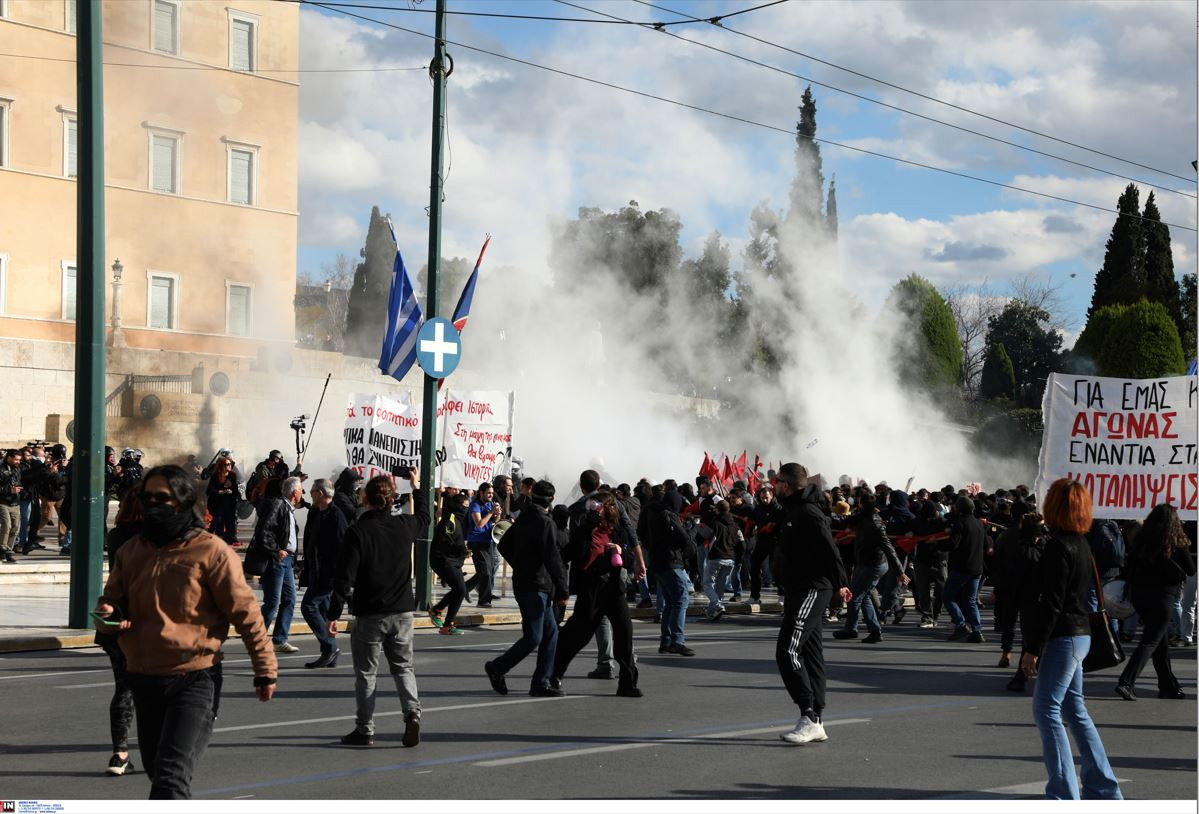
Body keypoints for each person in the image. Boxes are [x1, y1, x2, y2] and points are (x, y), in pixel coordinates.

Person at [94, 465, 277, 799]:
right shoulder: (131, 551)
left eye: (161, 497)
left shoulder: (211, 551)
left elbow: (246, 613)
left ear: (181, 500)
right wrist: (107, 617)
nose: (153, 504)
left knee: (170, 778)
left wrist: (265, 670)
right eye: (147, 497)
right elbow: (111, 602)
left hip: (194, 678)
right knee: (156, 769)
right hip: (144, 679)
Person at [1019, 478, 1121, 800]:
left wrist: (1032, 648)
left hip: (1063, 636)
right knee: (1074, 710)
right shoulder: (1081, 543)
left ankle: (1063, 795)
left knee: (1047, 710)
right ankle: (1103, 787)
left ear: (1054, 506)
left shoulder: (1058, 546)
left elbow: (1051, 602)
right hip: (1081, 635)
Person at [329, 470, 427, 747]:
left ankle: (365, 729)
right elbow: (425, 518)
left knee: (366, 674)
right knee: (404, 668)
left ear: (366, 499)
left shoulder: (358, 531)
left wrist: (333, 614)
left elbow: (344, 578)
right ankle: (412, 715)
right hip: (403, 611)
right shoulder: (404, 526)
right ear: (392, 499)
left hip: (370, 612)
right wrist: (416, 486)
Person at [772, 463, 851, 745]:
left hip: (812, 588)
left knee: (787, 650)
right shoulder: (793, 509)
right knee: (812, 654)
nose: (773, 485)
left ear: (787, 484)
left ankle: (808, 713)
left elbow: (830, 549)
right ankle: (816, 718)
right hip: (798, 588)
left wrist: (841, 583)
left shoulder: (808, 512)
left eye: (777, 481)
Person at [554, 491, 645, 697]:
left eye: (601, 506)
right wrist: (587, 528)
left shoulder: (617, 531)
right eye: (594, 506)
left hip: (613, 587)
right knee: (578, 634)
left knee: (624, 633)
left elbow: (628, 561)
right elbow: (570, 555)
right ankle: (554, 674)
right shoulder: (583, 530)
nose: (597, 509)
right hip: (591, 587)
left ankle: (627, 683)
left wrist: (621, 554)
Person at [486, 480, 570, 697]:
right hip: (537, 586)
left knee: (551, 634)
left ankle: (541, 682)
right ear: (551, 499)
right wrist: (563, 590)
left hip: (528, 583)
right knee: (533, 637)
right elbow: (553, 559)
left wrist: (520, 564)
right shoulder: (545, 522)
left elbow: (504, 544)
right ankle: (498, 667)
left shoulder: (524, 518)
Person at [1115, 503, 1196, 700]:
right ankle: (1127, 681)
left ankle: (1167, 684)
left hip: (1140, 596)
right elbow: (1190, 569)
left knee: (1160, 642)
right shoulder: (1177, 542)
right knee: (1151, 641)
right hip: (1163, 597)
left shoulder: (1142, 539)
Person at [95, 489, 143, 776]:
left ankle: (119, 753)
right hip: (143, 622)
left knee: (123, 688)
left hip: (116, 619)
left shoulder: (116, 535)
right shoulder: (150, 538)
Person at [833, 493, 907, 643]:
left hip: (874, 565)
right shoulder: (864, 517)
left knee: (855, 597)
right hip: (867, 563)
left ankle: (854, 630)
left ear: (861, 505)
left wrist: (900, 571)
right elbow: (846, 521)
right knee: (864, 596)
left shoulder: (875, 524)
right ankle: (872, 630)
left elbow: (889, 548)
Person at [249, 476, 303, 654]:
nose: (302, 493)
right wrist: (275, 551)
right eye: (301, 490)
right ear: (294, 492)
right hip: (277, 560)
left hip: (287, 561)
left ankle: (279, 640)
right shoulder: (277, 504)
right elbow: (263, 531)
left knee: (289, 600)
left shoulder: (287, 507)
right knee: (272, 601)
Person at [640, 483, 695, 656]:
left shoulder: (651, 512)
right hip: (672, 561)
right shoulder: (669, 515)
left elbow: (641, 533)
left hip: (657, 561)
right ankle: (677, 641)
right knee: (680, 600)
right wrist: (692, 530)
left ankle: (666, 641)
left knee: (670, 603)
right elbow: (683, 538)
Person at [301, 478, 348, 668]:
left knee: (308, 606)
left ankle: (329, 647)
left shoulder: (336, 516)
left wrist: (337, 575)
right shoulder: (315, 512)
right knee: (324, 611)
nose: (309, 494)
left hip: (328, 573)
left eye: (312, 491)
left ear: (320, 493)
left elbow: (343, 547)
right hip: (316, 569)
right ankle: (330, 650)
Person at [942, 495, 987, 643]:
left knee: (947, 596)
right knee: (971, 600)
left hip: (962, 567)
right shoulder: (979, 524)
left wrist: (936, 545)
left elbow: (952, 545)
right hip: (977, 567)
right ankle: (977, 630)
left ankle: (961, 625)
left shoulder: (959, 523)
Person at [430, 490, 473, 635]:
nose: (466, 509)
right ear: (458, 506)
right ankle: (437, 610)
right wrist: (461, 549)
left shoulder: (458, 520)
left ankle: (447, 625)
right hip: (443, 559)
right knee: (460, 589)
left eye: (468, 506)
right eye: (464, 506)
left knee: (460, 591)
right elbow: (445, 541)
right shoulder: (450, 519)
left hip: (453, 560)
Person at [702, 501, 744, 621]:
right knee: (720, 587)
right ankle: (712, 611)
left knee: (707, 583)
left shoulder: (714, 523)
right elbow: (742, 543)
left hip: (716, 557)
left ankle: (718, 605)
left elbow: (703, 534)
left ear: (717, 510)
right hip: (730, 559)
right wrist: (739, 558)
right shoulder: (735, 526)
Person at [466, 481, 502, 608]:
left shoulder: (491, 504)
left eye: (492, 493)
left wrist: (497, 515)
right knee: (485, 572)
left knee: (488, 570)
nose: (491, 495)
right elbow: (479, 524)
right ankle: (484, 600)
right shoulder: (475, 505)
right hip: (476, 541)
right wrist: (491, 512)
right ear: (481, 493)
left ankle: (465, 587)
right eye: (488, 493)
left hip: (488, 540)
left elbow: (494, 521)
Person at [205, 456, 240, 546]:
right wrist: (221, 492)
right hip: (218, 504)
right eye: (227, 464)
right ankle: (219, 544)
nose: (229, 466)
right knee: (219, 525)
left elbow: (235, 490)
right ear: (222, 466)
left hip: (230, 505)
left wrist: (233, 493)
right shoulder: (215, 476)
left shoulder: (233, 475)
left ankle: (229, 541)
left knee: (230, 525)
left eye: (230, 464)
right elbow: (209, 491)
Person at [0, 449, 22, 563]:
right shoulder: (1, 468)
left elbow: (19, 482)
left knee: (15, 527)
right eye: (16, 459)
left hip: (15, 502)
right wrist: (9, 490)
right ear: (9, 457)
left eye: (19, 460)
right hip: (3, 502)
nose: (18, 462)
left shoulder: (18, 469)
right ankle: (2, 550)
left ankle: (9, 550)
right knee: (6, 526)